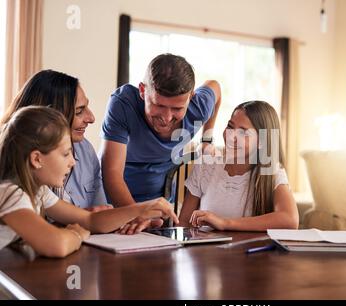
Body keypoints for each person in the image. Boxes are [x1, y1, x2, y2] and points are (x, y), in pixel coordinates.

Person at [0, 107, 178, 258]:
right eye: (65, 154)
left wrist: (142, 208)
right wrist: (76, 234)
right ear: (37, 159)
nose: (72, 162)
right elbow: (57, 245)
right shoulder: (11, 194)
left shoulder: (38, 191)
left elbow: (91, 220)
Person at [100, 53, 221, 233]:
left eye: (177, 108)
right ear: (143, 90)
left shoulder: (198, 108)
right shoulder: (122, 104)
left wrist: (207, 140)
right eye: (159, 105)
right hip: (114, 205)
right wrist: (137, 215)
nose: (166, 117)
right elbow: (111, 172)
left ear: (190, 97)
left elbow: (215, 87)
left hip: (159, 207)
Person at [178, 101, 299, 231]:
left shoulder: (271, 172)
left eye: (243, 133)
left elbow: (290, 219)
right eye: (230, 126)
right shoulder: (205, 165)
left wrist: (224, 223)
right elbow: (183, 223)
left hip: (248, 250)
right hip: (206, 250)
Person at [2, 70, 109, 212]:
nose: (91, 118)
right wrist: (78, 225)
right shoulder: (13, 191)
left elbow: (99, 213)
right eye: (79, 111)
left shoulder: (85, 150)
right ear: (49, 116)